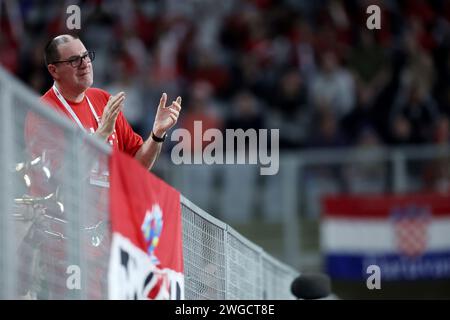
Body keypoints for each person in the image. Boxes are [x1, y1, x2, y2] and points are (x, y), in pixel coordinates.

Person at [27, 34, 182, 171]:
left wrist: (157, 134)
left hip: (111, 203)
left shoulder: (103, 99)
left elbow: (137, 167)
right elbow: (61, 179)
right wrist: (102, 134)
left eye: (86, 56)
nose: (85, 64)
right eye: (74, 60)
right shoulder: (42, 111)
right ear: (54, 70)